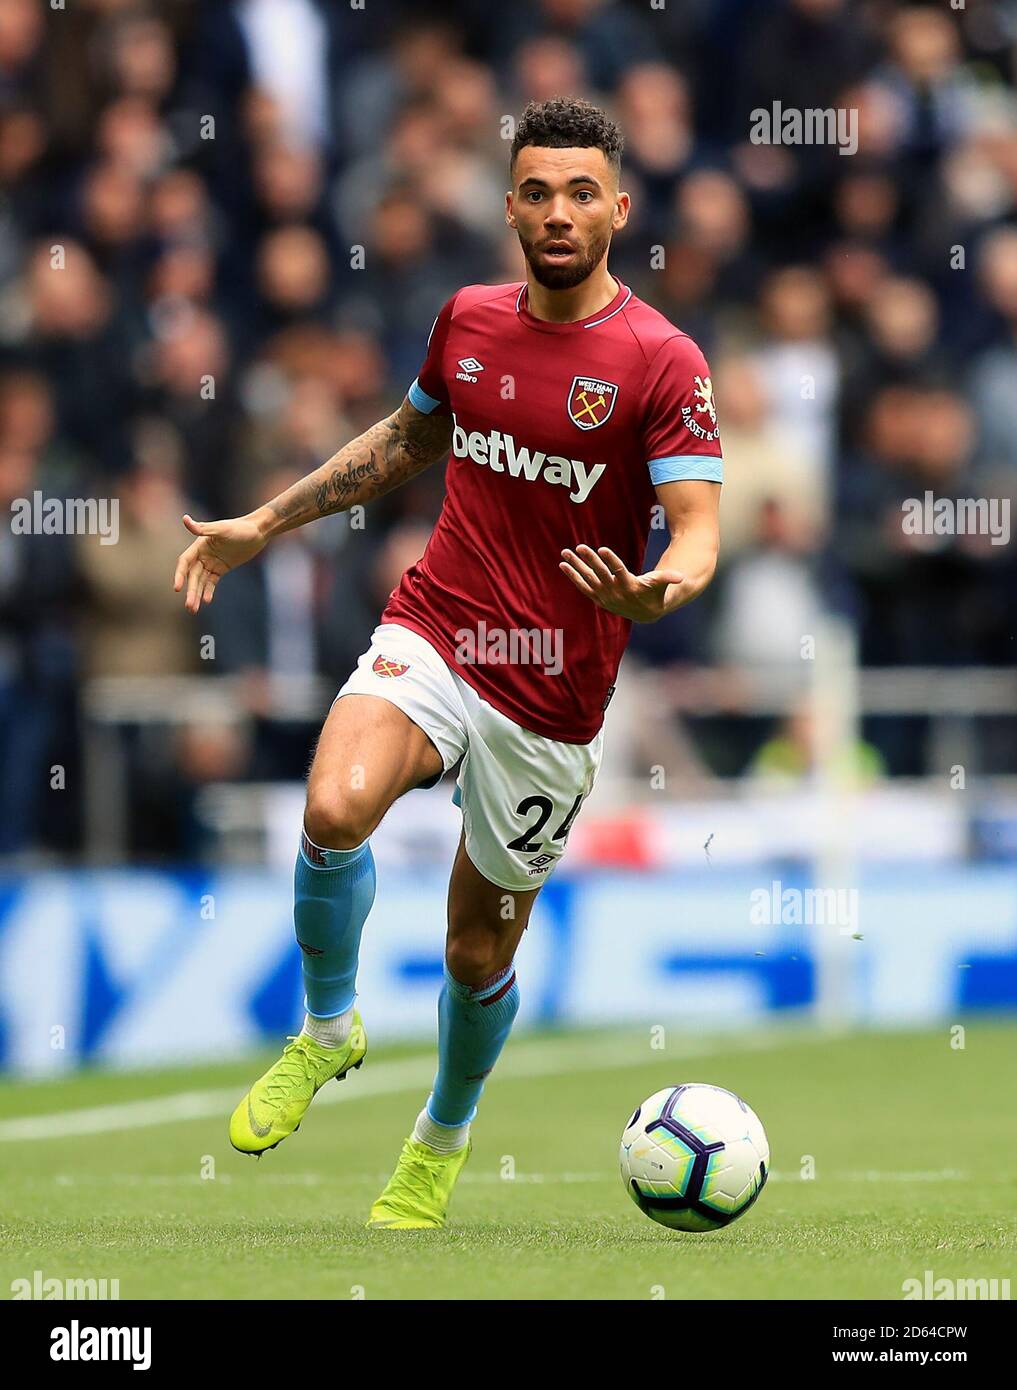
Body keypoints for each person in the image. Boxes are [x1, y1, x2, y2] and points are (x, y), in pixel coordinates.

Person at [172, 97, 722, 1229]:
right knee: (331, 808)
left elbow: (699, 522)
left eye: (582, 193)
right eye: (537, 191)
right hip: (439, 624)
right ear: (509, 204)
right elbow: (405, 439)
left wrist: (667, 583)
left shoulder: (661, 359)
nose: (559, 212)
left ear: (619, 208)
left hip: (553, 699)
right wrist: (264, 524)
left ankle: (441, 1136)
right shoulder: (467, 319)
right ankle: (328, 1029)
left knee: (475, 952)